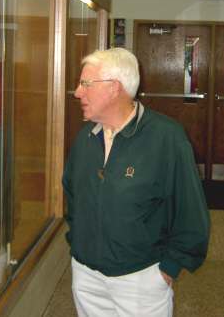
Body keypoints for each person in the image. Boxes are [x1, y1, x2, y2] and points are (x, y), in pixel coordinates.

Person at [62, 47, 210, 316]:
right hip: (86, 274)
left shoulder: (167, 137)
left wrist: (170, 267)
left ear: (114, 88)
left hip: (141, 278)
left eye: (85, 84)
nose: (77, 92)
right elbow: (72, 195)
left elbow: (190, 210)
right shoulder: (85, 137)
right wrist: (78, 243)